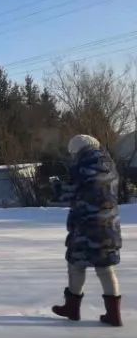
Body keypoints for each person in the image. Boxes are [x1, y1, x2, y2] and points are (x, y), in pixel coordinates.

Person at [52, 135, 123, 327]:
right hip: (109, 227)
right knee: (105, 268)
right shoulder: (110, 166)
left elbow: (67, 194)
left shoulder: (82, 168)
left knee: (76, 265)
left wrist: (56, 186)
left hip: (86, 226)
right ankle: (114, 315)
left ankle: (72, 308)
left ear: (79, 151)